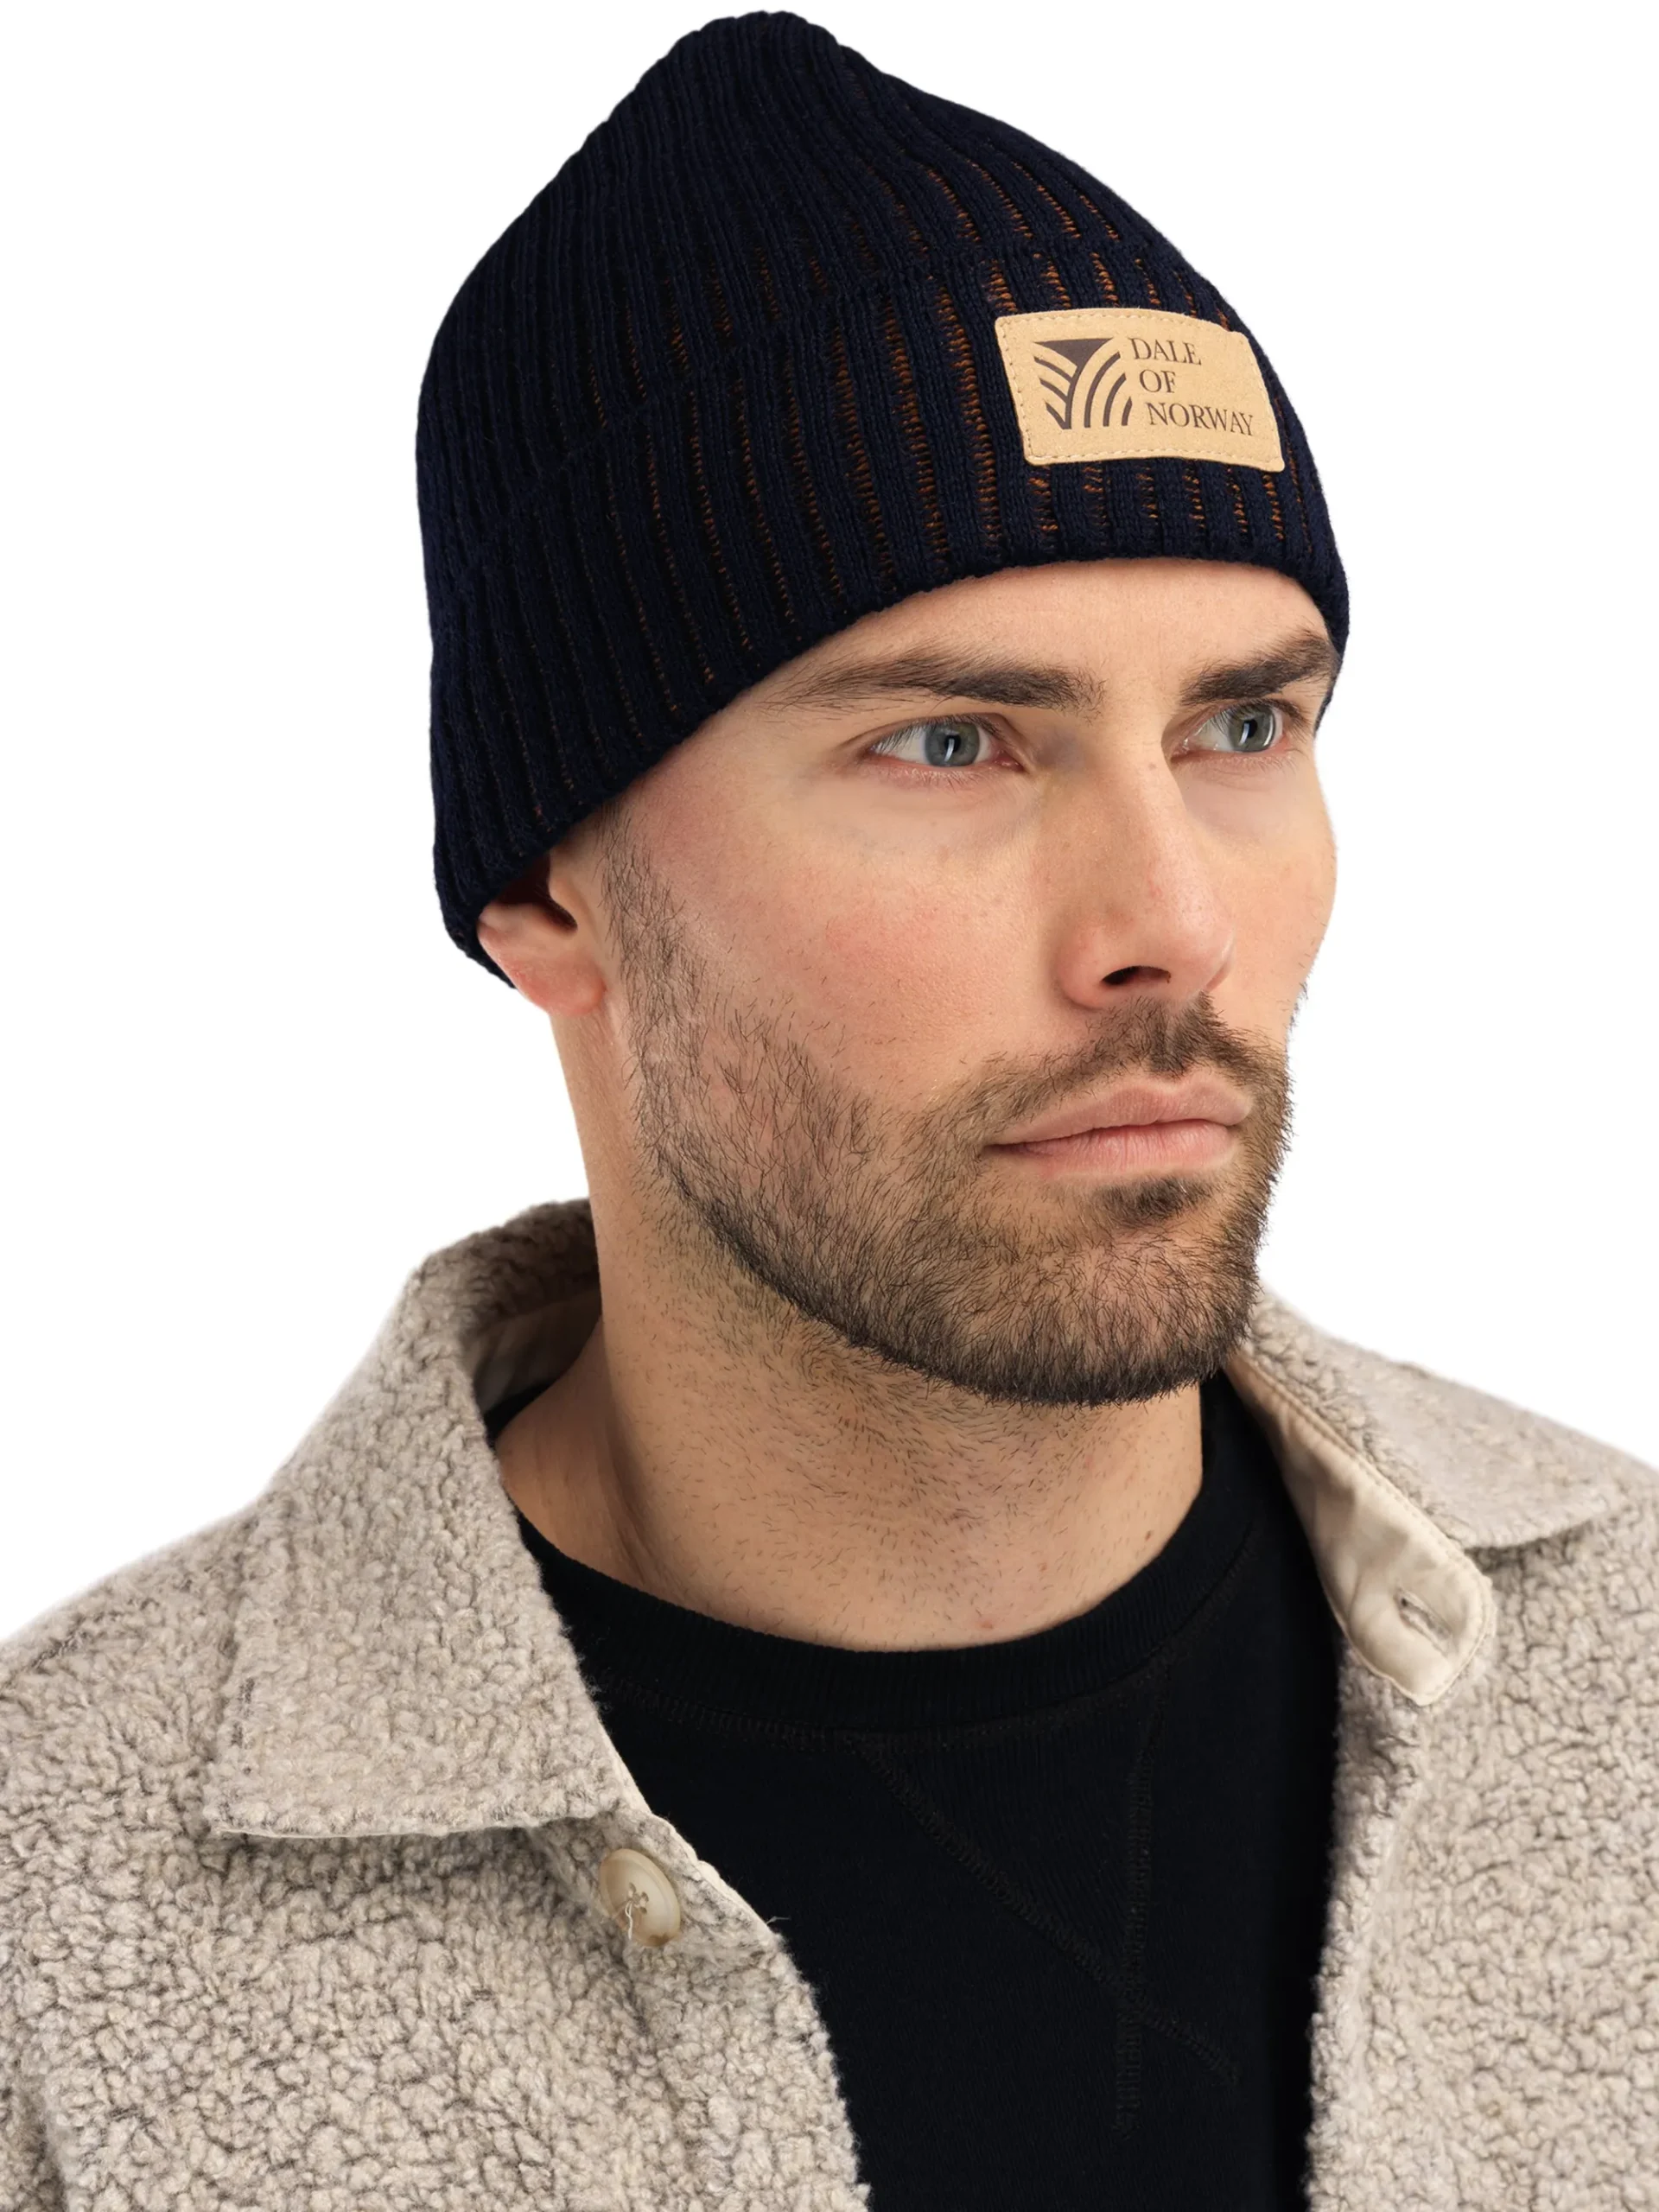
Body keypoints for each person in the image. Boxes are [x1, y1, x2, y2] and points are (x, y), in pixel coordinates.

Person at [3, 14, 1654, 2209]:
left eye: (1245, 725)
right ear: (551, 887)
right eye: (954, 744)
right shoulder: (62, 1914)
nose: (1172, 925)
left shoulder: (1629, 1686)